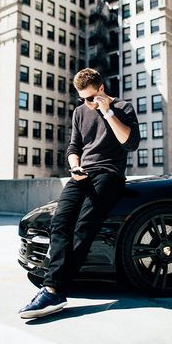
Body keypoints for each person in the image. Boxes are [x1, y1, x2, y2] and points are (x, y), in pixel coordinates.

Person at [19, 68, 140, 319]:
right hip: (81, 173)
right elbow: (73, 147)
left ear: (102, 90)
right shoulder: (79, 113)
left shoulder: (123, 107)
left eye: (90, 98)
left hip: (109, 174)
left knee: (84, 226)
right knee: (60, 222)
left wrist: (107, 112)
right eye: (82, 98)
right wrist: (74, 165)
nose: (86, 103)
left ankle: (53, 289)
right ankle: (54, 288)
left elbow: (130, 143)